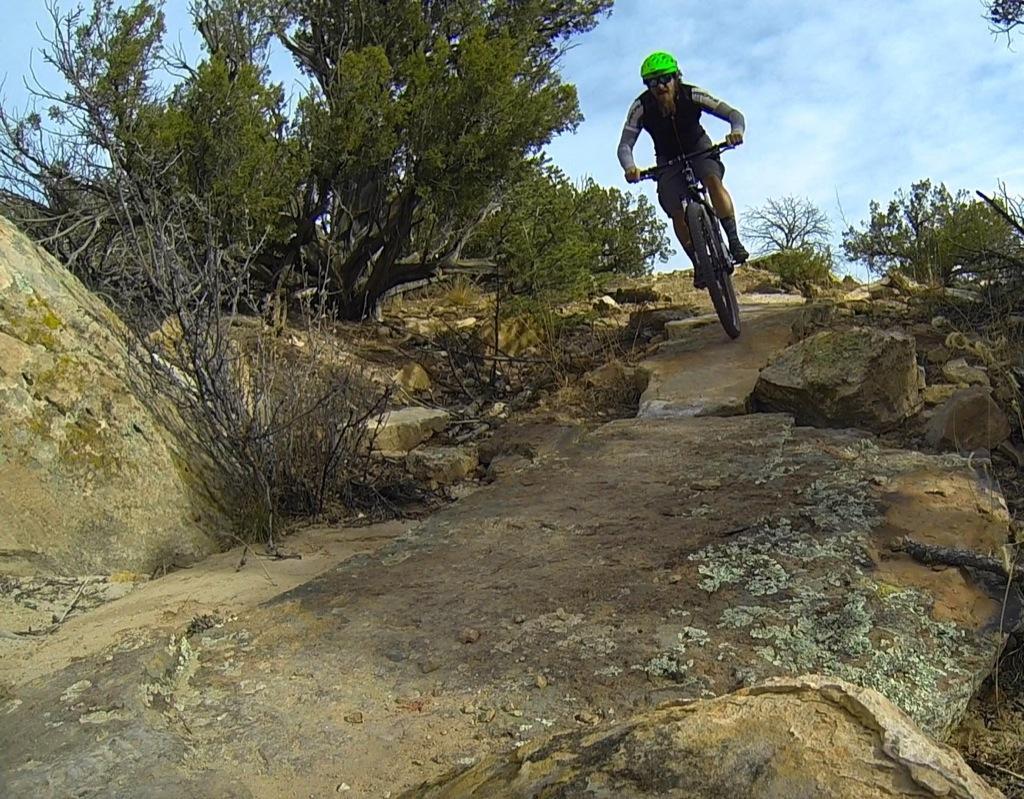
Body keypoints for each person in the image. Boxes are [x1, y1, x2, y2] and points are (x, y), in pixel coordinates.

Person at [617, 51, 748, 287]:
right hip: (667, 158)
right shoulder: (641, 107)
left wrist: (736, 131)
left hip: (697, 145)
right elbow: (625, 144)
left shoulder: (691, 94)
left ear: (676, 77)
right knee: (676, 209)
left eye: (665, 79)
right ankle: (699, 262)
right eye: (652, 82)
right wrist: (630, 167)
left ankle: (733, 239)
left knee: (712, 180)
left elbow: (732, 113)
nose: (660, 87)